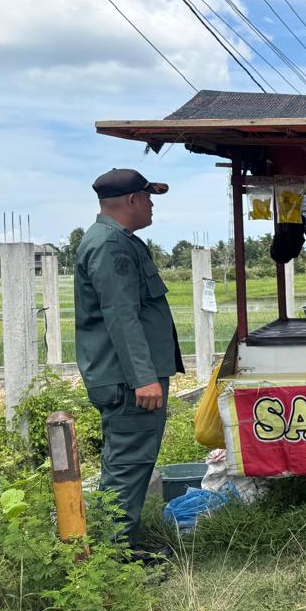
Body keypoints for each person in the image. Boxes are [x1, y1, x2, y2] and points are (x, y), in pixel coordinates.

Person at [74, 169, 183, 556]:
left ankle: (118, 546)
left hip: (126, 377)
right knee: (128, 463)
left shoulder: (118, 241)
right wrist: (143, 378)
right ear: (133, 200)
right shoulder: (110, 246)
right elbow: (121, 315)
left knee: (128, 461)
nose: (152, 205)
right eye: (149, 198)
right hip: (127, 380)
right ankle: (115, 556)